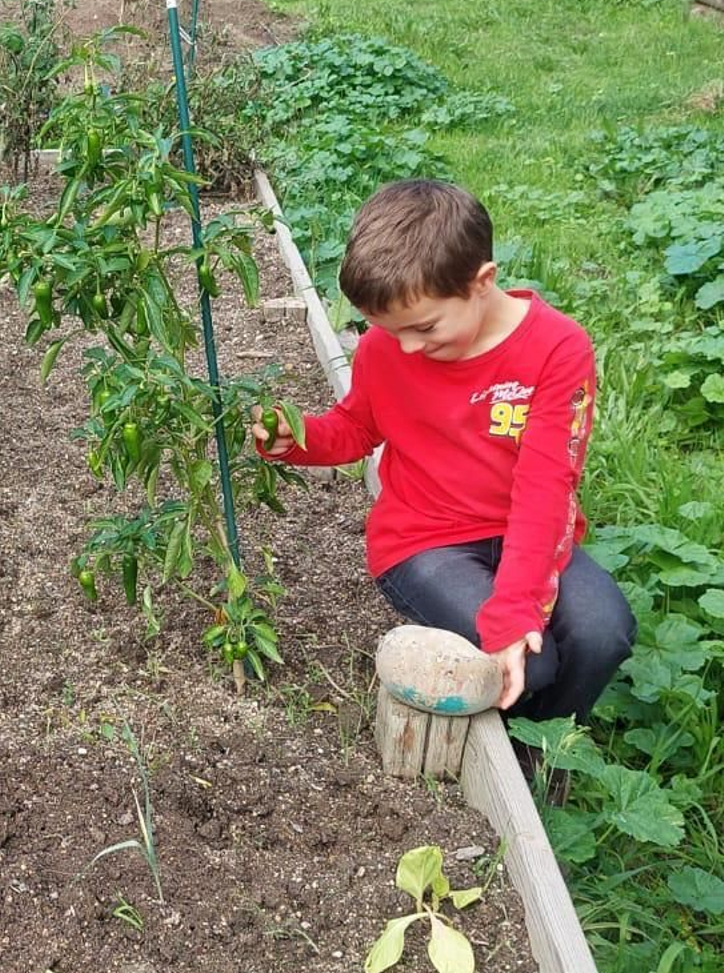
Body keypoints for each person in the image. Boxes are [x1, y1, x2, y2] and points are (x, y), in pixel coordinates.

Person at [253, 178, 635, 722]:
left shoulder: (556, 349)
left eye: (425, 328)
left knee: (603, 632)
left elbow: (545, 488)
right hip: (425, 542)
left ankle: (544, 741)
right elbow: (358, 426)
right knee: (537, 664)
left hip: (527, 530)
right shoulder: (390, 345)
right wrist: (299, 438)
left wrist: (513, 610)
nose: (405, 347)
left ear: (482, 282)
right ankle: (514, 729)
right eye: (386, 329)